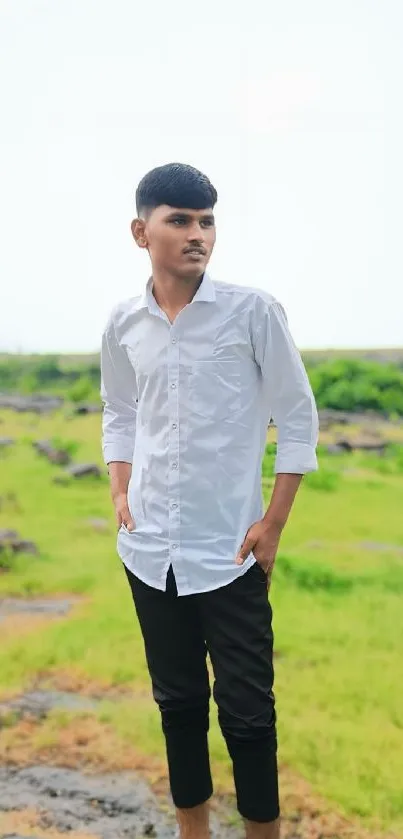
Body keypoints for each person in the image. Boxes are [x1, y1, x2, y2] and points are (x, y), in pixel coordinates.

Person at [100, 162, 319, 839]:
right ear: (142, 232)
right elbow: (118, 407)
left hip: (229, 550)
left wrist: (273, 524)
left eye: (206, 222)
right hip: (147, 553)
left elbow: (298, 415)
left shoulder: (252, 312)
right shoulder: (124, 322)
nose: (198, 234)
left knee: (249, 713)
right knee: (178, 704)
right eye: (180, 220)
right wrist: (118, 484)